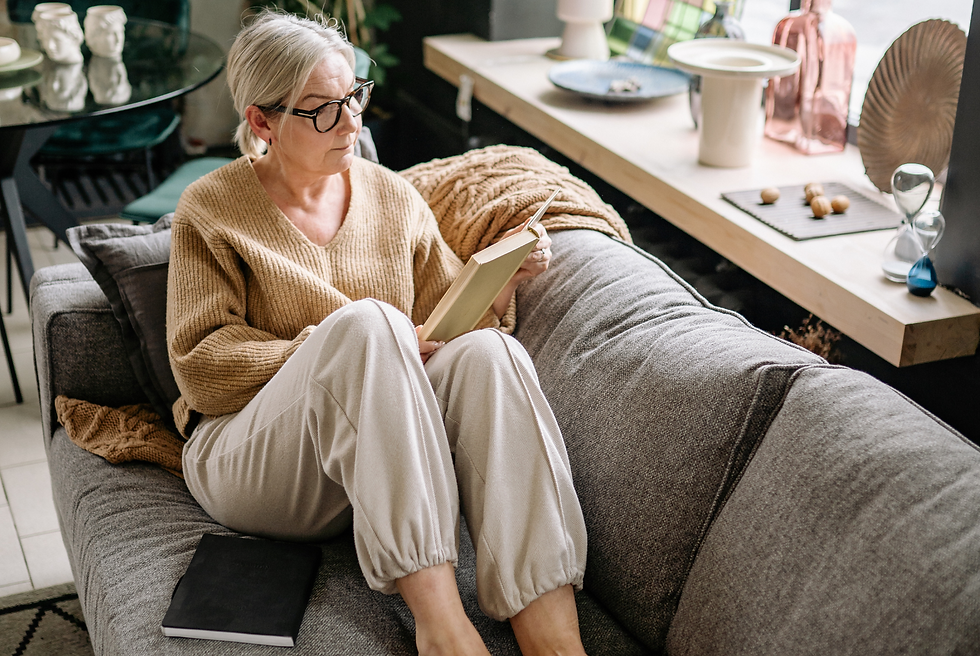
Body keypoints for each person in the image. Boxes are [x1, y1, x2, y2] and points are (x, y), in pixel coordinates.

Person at [166, 10, 588, 655]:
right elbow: (201, 365)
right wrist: (329, 348)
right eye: (322, 110)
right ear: (261, 121)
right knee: (368, 324)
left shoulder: (392, 197)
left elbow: (443, 326)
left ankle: (552, 636)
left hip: (374, 458)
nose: (351, 123)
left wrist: (500, 280)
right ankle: (442, 627)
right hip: (250, 457)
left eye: (353, 98)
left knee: (489, 354)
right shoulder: (210, 207)